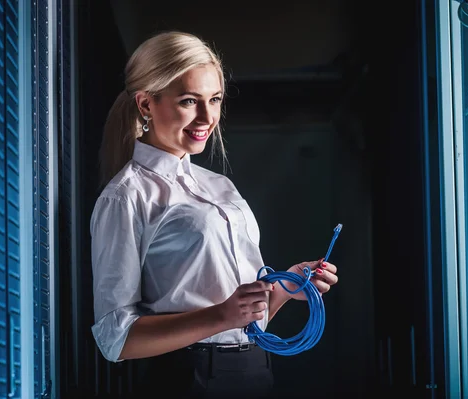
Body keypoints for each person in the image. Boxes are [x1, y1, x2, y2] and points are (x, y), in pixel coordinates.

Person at [90, 30, 339, 399]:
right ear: (145, 104)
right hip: (186, 381)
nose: (207, 117)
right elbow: (116, 338)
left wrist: (287, 287)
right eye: (190, 101)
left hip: (255, 370)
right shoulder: (126, 197)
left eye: (215, 99)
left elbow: (242, 315)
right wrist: (221, 315)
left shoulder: (220, 187)